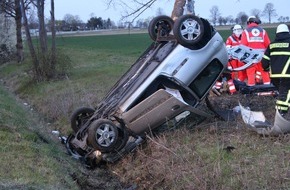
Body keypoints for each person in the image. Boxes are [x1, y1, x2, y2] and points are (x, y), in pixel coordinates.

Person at [261, 24, 290, 115]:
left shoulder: (272, 45)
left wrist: (266, 68)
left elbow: (264, 61)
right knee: (285, 95)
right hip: (287, 74)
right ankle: (282, 114)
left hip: (274, 76)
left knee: (283, 93)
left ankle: (280, 112)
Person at [214, 25, 245, 95]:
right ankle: (232, 89)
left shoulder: (242, 38)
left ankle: (218, 89)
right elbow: (228, 50)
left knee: (225, 76)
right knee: (229, 76)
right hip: (231, 59)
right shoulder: (230, 39)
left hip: (238, 58)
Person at [240, 16, 271, 86]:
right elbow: (268, 44)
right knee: (264, 72)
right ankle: (268, 88)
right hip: (262, 56)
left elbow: (243, 46)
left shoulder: (245, 32)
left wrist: (243, 58)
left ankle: (251, 89)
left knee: (250, 73)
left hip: (251, 57)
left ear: (249, 22)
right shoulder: (263, 31)